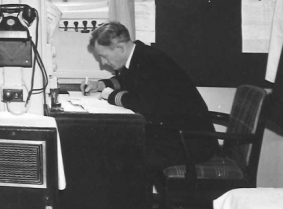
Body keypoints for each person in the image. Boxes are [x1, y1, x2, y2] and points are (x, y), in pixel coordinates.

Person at [80, 21, 218, 176]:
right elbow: (126, 81)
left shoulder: (150, 60)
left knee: (121, 153)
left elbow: (141, 102)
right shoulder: (139, 55)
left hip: (189, 141)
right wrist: (100, 85)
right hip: (174, 134)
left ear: (120, 48)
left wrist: (109, 95)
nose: (103, 62)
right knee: (117, 146)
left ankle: (133, 200)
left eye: (104, 56)